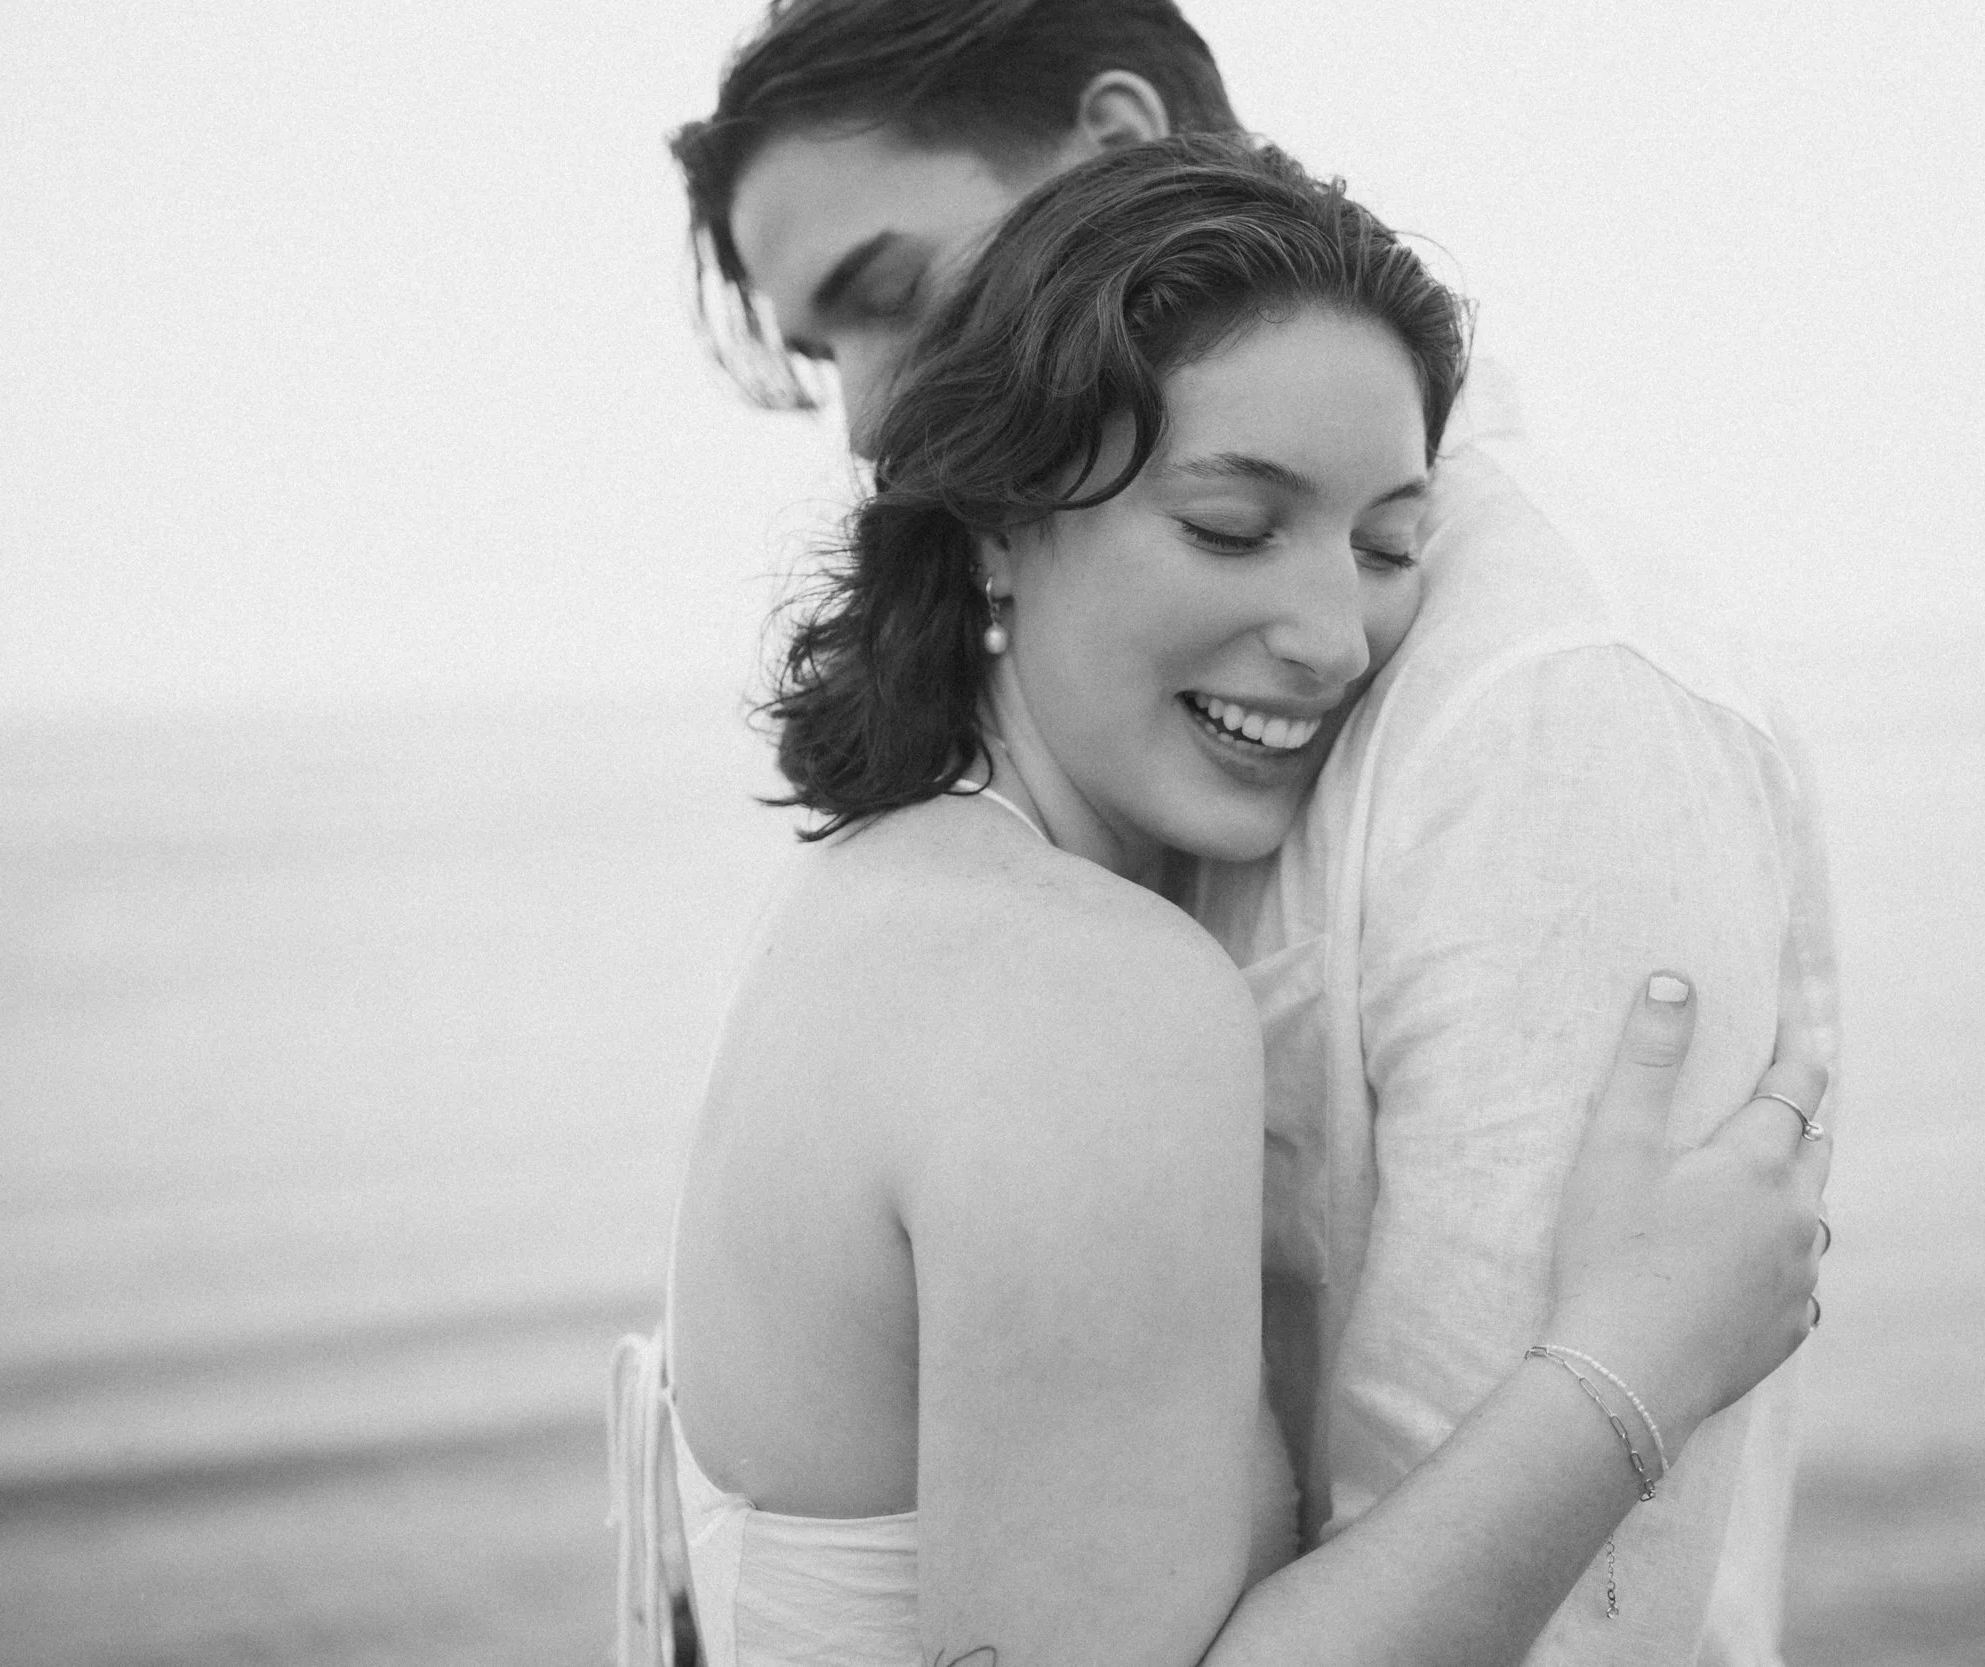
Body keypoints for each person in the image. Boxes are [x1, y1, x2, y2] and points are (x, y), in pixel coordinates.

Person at [665, 3, 1843, 1658]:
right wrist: (1632, 1366)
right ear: (1005, 520)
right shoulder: (1065, 977)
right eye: (1232, 523)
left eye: (1384, 541)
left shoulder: (897, 875)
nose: (1334, 632)